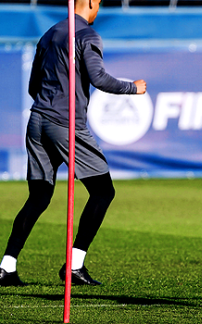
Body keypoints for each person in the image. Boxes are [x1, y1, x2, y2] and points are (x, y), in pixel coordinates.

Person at [0, 0, 147, 287]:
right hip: (65, 124)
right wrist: (133, 88)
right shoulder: (87, 35)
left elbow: (34, 85)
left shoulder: (50, 33)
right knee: (103, 191)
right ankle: (75, 266)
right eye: (99, 4)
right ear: (91, 2)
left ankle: (6, 266)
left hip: (37, 120)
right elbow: (99, 78)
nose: (99, 10)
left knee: (39, 196)